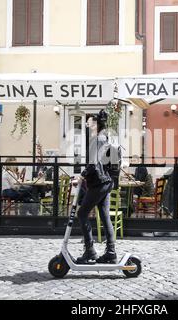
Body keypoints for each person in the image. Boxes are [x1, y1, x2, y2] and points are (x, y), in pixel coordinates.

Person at [76, 109, 117, 264]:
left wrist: (82, 175)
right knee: (105, 216)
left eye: (89, 121)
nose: (87, 123)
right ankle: (111, 252)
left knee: (81, 214)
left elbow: (94, 163)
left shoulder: (98, 139)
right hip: (106, 182)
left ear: (96, 123)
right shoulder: (103, 137)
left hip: (99, 183)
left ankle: (90, 250)